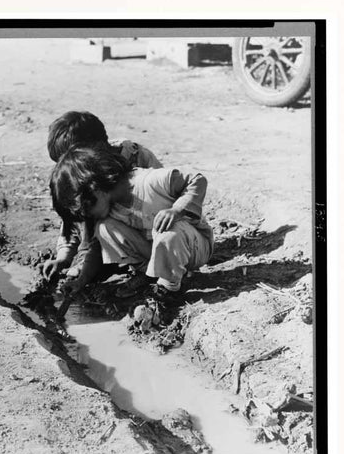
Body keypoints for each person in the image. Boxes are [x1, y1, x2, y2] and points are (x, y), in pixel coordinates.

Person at [49, 145, 214, 320]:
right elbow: (96, 248)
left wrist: (176, 210)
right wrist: (81, 280)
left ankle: (168, 289)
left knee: (169, 231)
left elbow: (197, 179)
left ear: (96, 189)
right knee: (104, 228)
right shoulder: (110, 206)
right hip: (158, 249)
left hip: (194, 246)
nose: (88, 216)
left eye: (87, 210)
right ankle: (148, 273)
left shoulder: (149, 182)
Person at [41, 111, 162, 285]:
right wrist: (63, 257)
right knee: (85, 204)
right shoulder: (79, 175)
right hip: (107, 236)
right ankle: (94, 259)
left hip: (145, 234)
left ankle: (139, 265)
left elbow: (167, 197)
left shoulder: (136, 159)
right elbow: (73, 218)